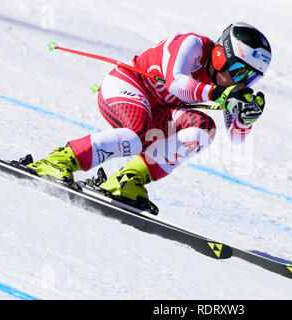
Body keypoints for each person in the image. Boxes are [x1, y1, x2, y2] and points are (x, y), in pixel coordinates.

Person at [26, 22, 272, 212]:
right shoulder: (193, 45)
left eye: (251, 78)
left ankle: (127, 180)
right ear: (221, 56)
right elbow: (176, 83)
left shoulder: (226, 85)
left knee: (203, 128)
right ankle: (60, 160)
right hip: (126, 86)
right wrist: (219, 93)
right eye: (240, 72)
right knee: (137, 132)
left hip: (156, 109)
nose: (242, 82)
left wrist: (245, 118)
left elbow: (236, 137)